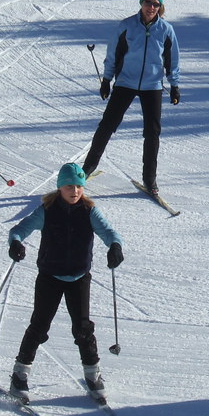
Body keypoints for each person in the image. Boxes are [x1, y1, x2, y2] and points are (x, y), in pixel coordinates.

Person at [7, 163, 124, 403]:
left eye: (79, 186)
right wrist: (16, 243)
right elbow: (19, 230)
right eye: (70, 186)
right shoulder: (47, 210)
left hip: (79, 277)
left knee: (82, 328)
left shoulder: (90, 211)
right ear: (60, 187)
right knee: (39, 325)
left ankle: (93, 375)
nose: (75, 191)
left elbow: (109, 232)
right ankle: (20, 374)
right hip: (49, 276)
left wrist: (115, 246)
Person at [82, 0, 181, 195]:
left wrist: (174, 85)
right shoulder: (126, 26)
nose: (151, 7)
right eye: (148, 3)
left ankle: (149, 179)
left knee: (152, 133)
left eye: (155, 4)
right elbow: (113, 54)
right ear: (141, 4)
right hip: (125, 82)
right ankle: (87, 169)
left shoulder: (166, 30)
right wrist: (107, 80)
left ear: (160, 7)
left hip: (152, 86)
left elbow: (172, 60)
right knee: (107, 125)